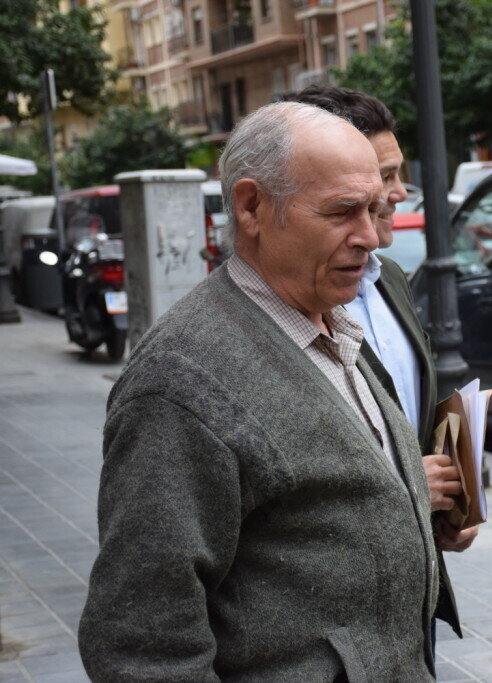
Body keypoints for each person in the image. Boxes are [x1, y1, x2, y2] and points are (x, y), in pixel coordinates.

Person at [79, 102, 439, 680]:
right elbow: (142, 644)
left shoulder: (331, 320)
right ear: (252, 207)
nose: (371, 237)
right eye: (342, 211)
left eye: (373, 209)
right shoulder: (179, 382)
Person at [282, 85, 478, 638]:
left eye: (397, 173)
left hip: (412, 587)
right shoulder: (295, 299)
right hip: (335, 617)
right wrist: (406, 486)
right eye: (381, 176)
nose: (396, 193)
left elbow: (407, 416)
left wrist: (450, 505)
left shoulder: (389, 277)